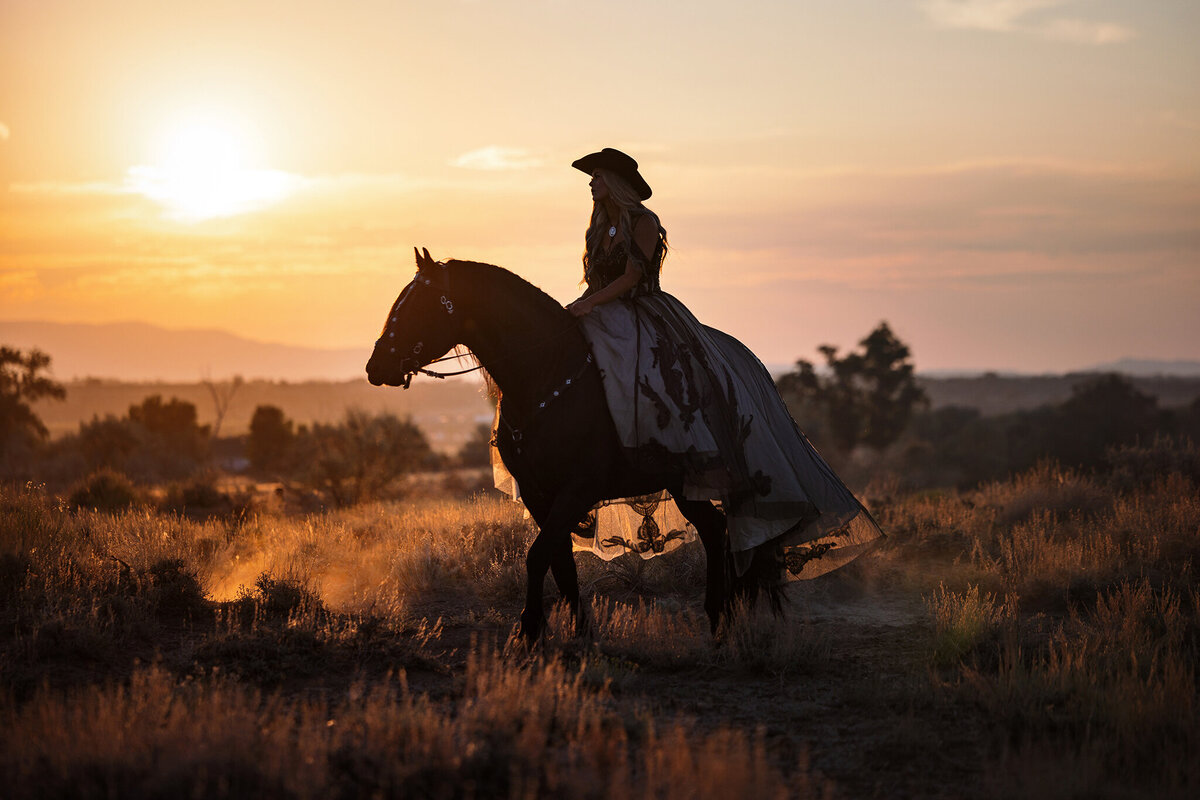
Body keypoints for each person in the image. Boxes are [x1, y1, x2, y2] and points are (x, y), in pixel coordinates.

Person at [559, 148, 882, 577]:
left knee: (653, 377)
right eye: (592, 177)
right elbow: (597, 280)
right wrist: (581, 305)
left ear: (615, 182)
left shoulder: (643, 222)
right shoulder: (600, 226)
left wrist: (590, 304)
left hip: (643, 313)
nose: (591, 183)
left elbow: (632, 278)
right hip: (603, 312)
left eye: (597, 175)